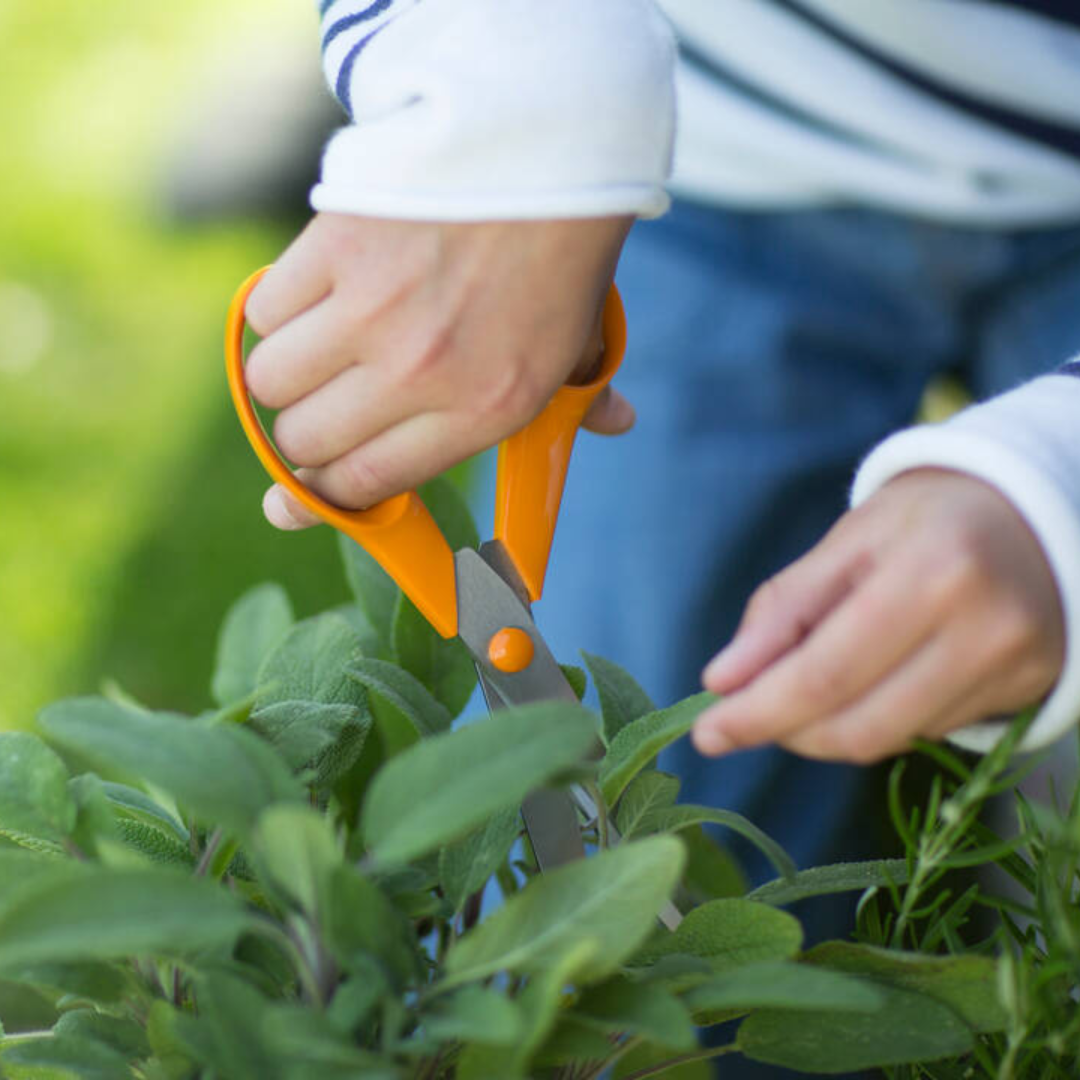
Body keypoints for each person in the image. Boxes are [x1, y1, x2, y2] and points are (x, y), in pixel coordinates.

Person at [243, 0, 1080, 912]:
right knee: (596, 884)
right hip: (695, 141)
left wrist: (1055, 472)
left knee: (1057, 880)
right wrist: (512, 98)